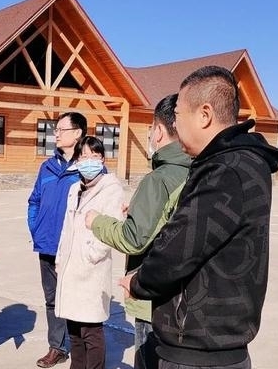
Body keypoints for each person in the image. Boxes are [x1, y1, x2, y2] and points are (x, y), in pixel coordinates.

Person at [121, 66, 278, 369]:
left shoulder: (225, 170)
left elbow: (179, 249)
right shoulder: (241, 163)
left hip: (198, 352)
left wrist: (138, 281)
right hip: (215, 346)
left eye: (179, 115)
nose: (175, 126)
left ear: (204, 114)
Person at [85, 94, 190, 369]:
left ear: (158, 130)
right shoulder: (199, 171)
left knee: (148, 357)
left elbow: (133, 238)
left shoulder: (158, 179)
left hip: (154, 297)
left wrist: (97, 221)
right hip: (186, 298)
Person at [55, 136, 126, 369]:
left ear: (102, 159)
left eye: (94, 156)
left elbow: (112, 227)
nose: (88, 161)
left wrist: (91, 254)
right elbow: (67, 226)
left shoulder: (111, 189)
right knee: (74, 330)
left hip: (91, 270)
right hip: (70, 267)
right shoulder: (75, 188)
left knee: (91, 331)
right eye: (83, 156)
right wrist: (60, 257)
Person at [27, 112, 87, 368]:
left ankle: (81, 348)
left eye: (61, 129)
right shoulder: (47, 167)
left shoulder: (89, 166)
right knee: (52, 299)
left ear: (77, 133)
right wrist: (36, 228)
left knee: (76, 298)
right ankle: (57, 347)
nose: (56, 134)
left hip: (74, 249)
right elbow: (34, 200)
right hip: (47, 245)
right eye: (56, 129)